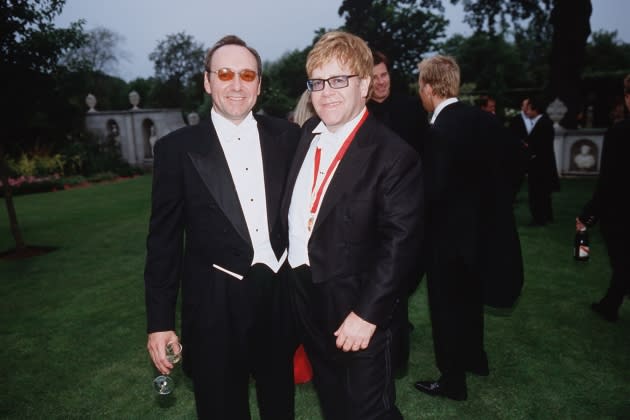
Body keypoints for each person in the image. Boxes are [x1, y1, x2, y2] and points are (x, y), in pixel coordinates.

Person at [144, 35, 300, 420]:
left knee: (280, 406)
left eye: (247, 75)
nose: (236, 84)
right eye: (225, 73)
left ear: (259, 85)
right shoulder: (175, 149)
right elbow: (163, 241)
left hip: (279, 298)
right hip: (214, 303)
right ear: (207, 81)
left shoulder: (290, 137)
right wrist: (160, 322)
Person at [282, 31, 423, 420]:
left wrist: (367, 315)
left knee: (368, 412)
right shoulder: (304, 139)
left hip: (357, 312)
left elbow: (402, 245)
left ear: (364, 85)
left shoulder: (394, 156)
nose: (326, 92)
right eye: (318, 82)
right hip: (307, 301)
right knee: (333, 404)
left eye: (339, 80)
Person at [413, 55, 523, 401]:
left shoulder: (439, 129)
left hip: (448, 240)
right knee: (472, 302)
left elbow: (434, 191)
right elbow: (519, 160)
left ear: (428, 87)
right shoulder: (485, 121)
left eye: (420, 85)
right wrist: (498, 203)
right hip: (483, 234)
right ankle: (477, 359)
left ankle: (452, 381)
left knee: (446, 310)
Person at [576, 74, 630, 322]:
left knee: (622, 261)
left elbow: (610, 179)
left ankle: (610, 304)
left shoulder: (620, 133)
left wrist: (591, 211)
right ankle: (610, 303)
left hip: (620, 212)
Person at [367, 50, 429, 156]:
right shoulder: (359, 114)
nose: (381, 82)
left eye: (384, 75)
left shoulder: (413, 107)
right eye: (374, 78)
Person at [523, 96, 560, 226]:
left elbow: (540, 145)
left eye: (528, 108)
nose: (526, 111)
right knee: (543, 194)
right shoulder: (544, 122)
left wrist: (528, 148)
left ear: (535, 109)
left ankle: (539, 218)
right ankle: (546, 216)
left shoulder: (543, 124)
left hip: (540, 165)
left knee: (537, 193)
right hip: (542, 164)